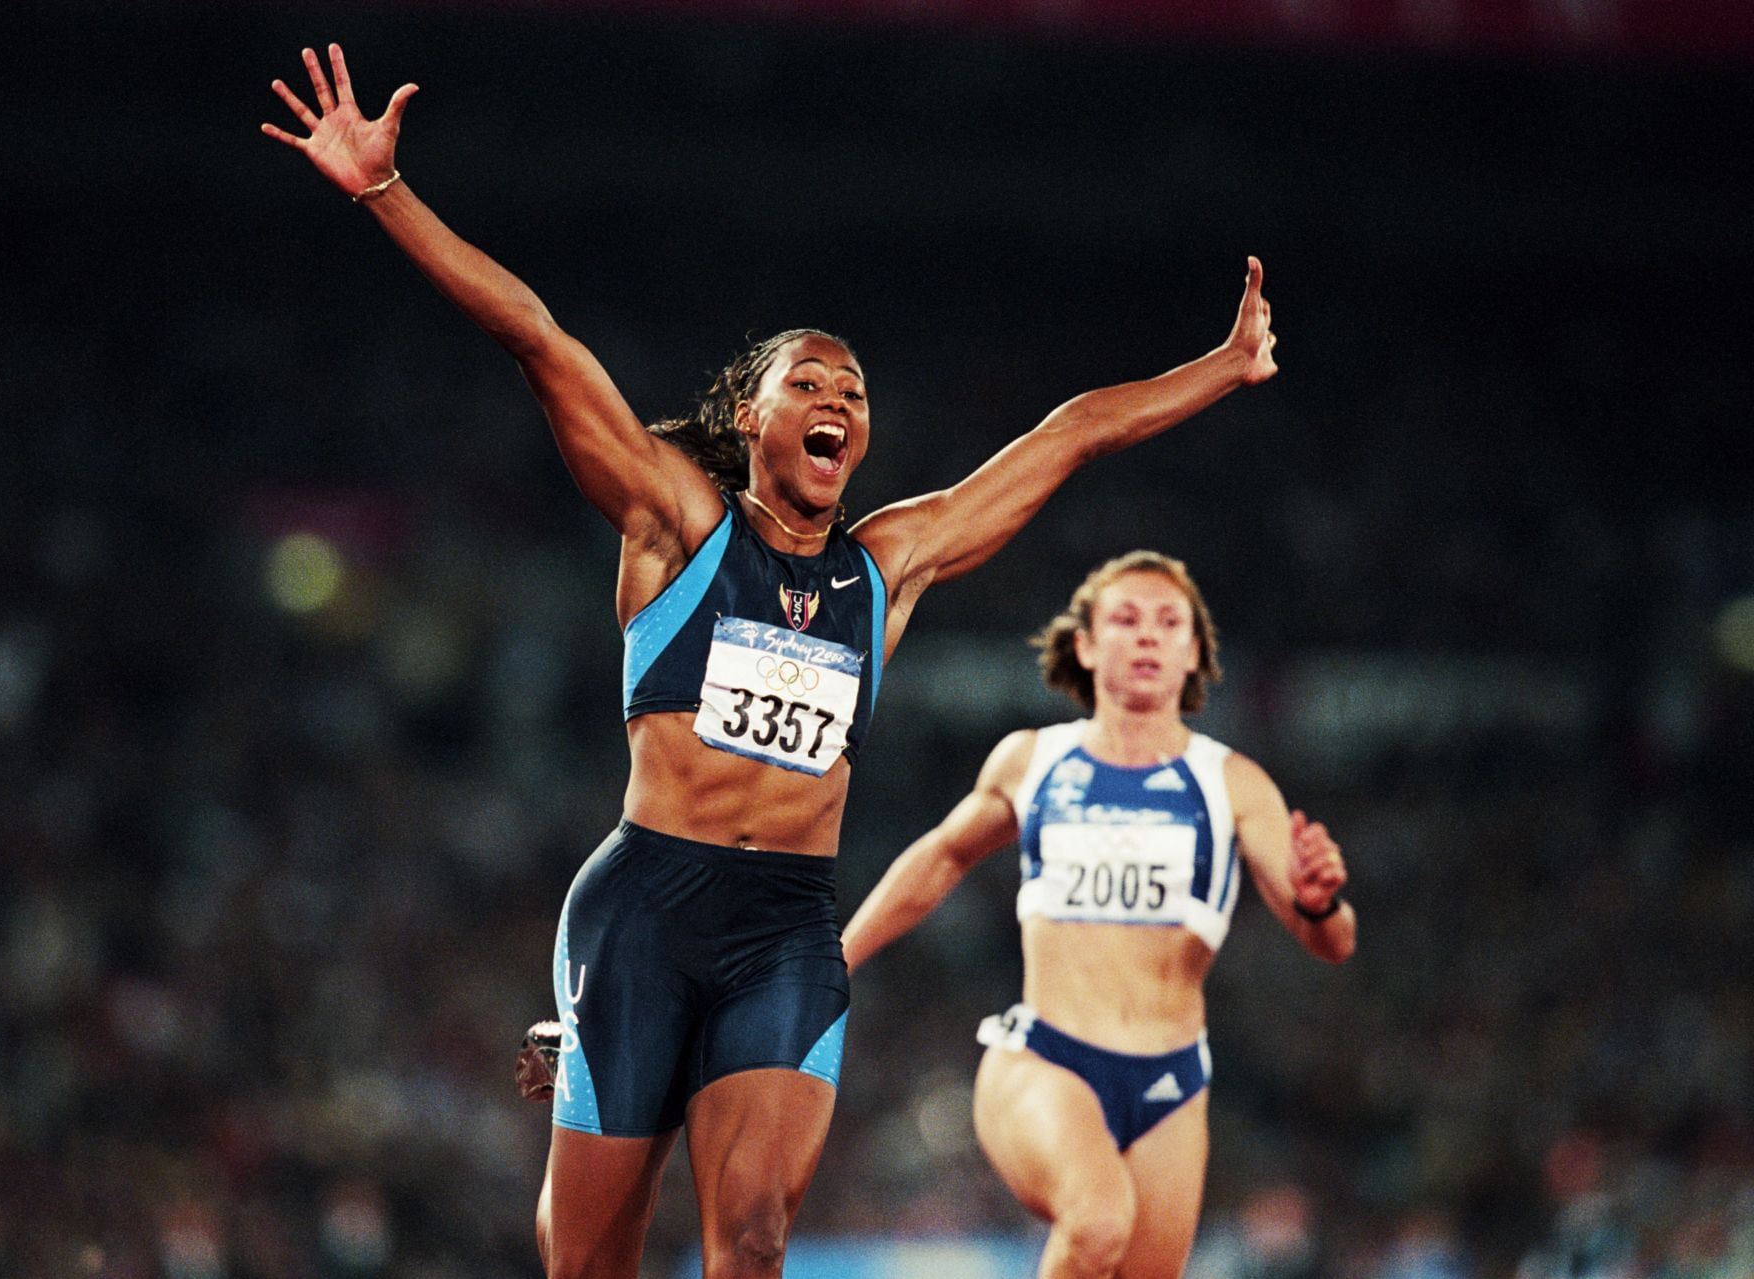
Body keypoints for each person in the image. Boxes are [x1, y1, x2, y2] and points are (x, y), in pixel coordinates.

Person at [263, 45, 1279, 1279]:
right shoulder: (674, 520)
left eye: (854, 387)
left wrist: (1222, 369)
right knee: (588, 1261)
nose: (839, 396)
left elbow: (1068, 437)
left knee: (753, 1240)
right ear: (753, 415)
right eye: (811, 379)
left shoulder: (884, 568)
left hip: (788, 929)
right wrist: (384, 192)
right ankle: (595, 1060)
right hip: (643, 909)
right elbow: (535, 335)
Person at [842, 551, 1355, 1279]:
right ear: (1084, 645)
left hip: (1170, 1085)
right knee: (1097, 1219)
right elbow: (940, 858)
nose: (1147, 636)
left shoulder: (1232, 784)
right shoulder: (1033, 761)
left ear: (1194, 652)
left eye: (1168, 622)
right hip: (1045, 1061)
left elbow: (1331, 940)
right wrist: (838, 958)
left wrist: (1321, 898)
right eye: (1125, 619)